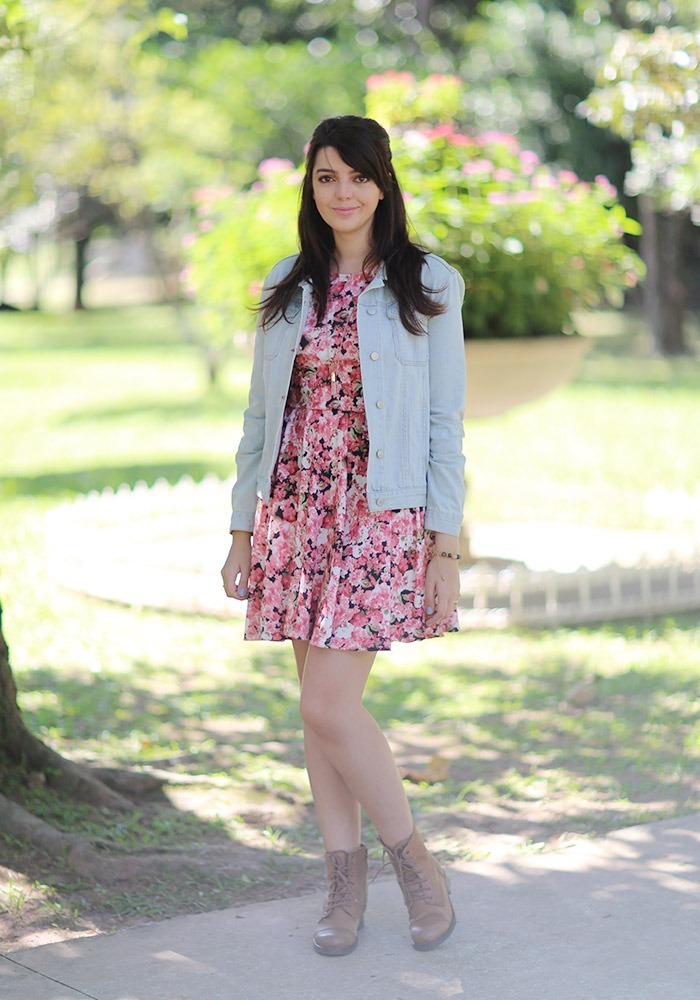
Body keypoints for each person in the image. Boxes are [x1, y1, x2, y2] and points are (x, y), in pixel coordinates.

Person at [222, 115, 466, 957]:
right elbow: (260, 417)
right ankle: (341, 884)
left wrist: (443, 546)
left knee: (331, 703)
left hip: (380, 511)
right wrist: (241, 529)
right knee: (317, 713)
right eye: (327, 177)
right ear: (311, 187)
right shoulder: (288, 285)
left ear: (383, 183)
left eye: (358, 176)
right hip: (295, 510)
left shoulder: (427, 283)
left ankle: (414, 866)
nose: (344, 192)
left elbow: (444, 420)